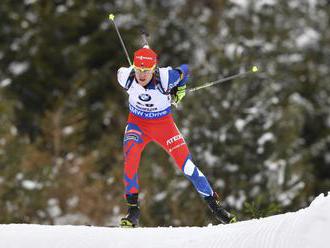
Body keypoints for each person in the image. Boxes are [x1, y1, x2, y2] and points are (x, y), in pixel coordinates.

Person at [117, 46, 236, 227]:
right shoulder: (125, 76)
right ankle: (133, 210)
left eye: (146, 71)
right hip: (137, 126)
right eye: (139, 70)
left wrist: (180, 87)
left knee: (187, 166)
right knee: (131, 159)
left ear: (154, 70)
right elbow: (124, 71)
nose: (141, 75)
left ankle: (216, 207)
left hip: (164, 127)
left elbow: (185, 69)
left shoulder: (166, 78)